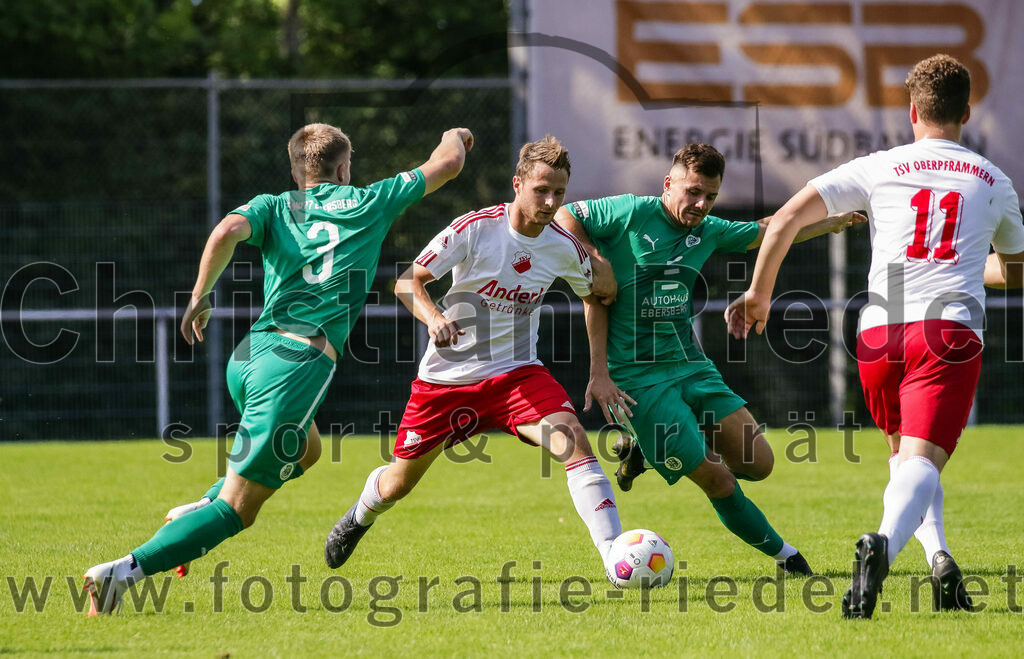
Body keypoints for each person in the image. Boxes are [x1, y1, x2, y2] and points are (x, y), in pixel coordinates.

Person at [82, 123, 474, 615]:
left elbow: (225, 231)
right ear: (345, 168)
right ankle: (121, 573)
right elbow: (448, 163)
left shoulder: (273, 205)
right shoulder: (372, 200)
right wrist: (455, 132)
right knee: (239, 510)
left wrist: (199, 298)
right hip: (295, 366)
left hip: (250, 357)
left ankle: (198, 508)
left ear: (295, 170)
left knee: (306, 451)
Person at [725, 54, 1024, 619]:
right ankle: (882, 543)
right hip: (947, 333)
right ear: (966, 112)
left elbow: (786, 218)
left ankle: (939, 558)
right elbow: (1015, 271)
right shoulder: (993, 180)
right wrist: (969, 266)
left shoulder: (881, 166)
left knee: (905, 461)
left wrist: (760, 293)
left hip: (879, 335)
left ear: (912, 111)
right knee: (922, 463)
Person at [555, 143, 863, 576]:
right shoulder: (629, 212)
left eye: (710, 197)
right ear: (669, 184)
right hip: (639, 383)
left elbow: (766, 229)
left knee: (759, 464)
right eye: (693, 192)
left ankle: (644, 449)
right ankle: (787, 557)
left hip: (690, 365)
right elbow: (566, 215)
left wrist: (827, 223)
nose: (701, 205)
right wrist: (593, 258)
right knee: (719, 480)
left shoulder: (707, 229)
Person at [324, 136, 624, 574]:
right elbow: (408, 282)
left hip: (516, 375)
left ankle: (615, 557)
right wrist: (433, 318)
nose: (549, 201)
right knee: (396, 485)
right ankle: (359, 515)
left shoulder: (562, 245)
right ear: (517, 183)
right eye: (541, 189)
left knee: (574, 441)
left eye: (558, 192)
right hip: (446, 382)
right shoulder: (477, 227)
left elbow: (600, 294)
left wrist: (600, 366)